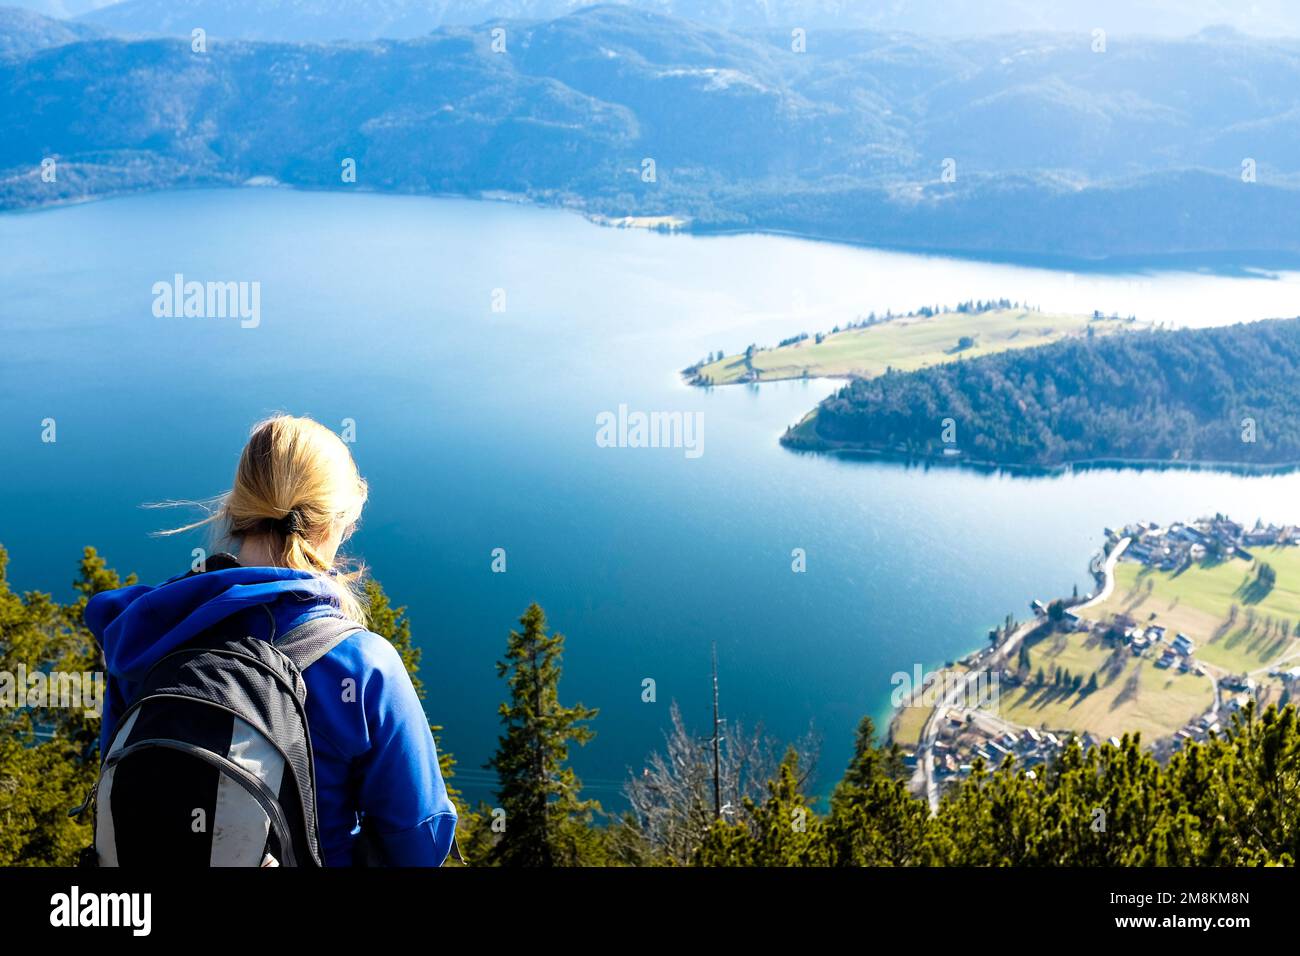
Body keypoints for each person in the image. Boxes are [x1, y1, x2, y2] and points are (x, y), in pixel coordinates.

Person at [86, 414, 457, 866]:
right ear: (332, 525)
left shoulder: (146, 632)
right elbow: (417, 843)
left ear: (235, 509)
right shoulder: (362, 665)